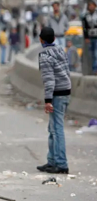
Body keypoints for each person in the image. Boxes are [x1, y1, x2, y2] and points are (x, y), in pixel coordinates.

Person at [37, 27, 71, 174]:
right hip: (65, 90)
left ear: (41, 40)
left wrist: (48, 100)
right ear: (54, 39)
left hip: (57, 93)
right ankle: (52, 161)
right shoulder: (59, 50)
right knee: (52, 129)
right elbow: (66, 71)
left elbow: (49, 80)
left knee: (57, 129)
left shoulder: (44, 56)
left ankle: (61, 164)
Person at [82, 0, 97, 74]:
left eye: (92, 5)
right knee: (92, 54)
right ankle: (93, 69)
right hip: (90, 37)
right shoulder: (86, 16)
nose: (91, 7)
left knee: (96, 53)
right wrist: (86, 37)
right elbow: (84, 28)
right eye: (89, 6)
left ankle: (95, 69)